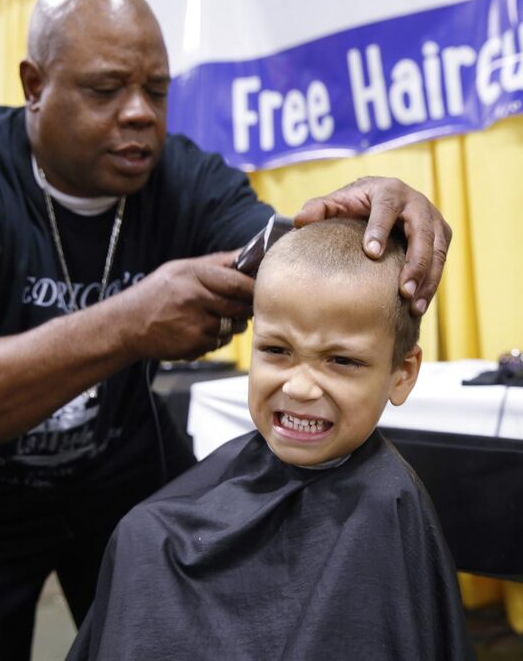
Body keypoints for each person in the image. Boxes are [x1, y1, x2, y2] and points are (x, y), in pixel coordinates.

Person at [0, 0, 453, 659]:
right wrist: (128, 323)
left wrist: (368, 223)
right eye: (106, 89)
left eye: (156, 91)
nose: (138, 113)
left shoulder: (183, 178)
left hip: (107, 470)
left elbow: (293, 262)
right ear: (34, 86)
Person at [67, 218, 474, 661]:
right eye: (276, 351)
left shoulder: (387, 511)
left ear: (403, 374)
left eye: (341, 360)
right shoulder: (154, 534)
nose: (300, 388)